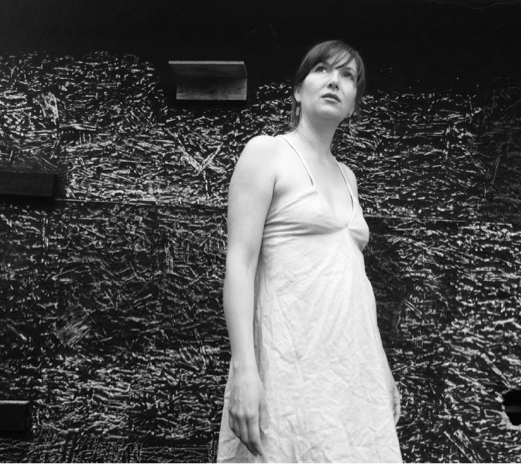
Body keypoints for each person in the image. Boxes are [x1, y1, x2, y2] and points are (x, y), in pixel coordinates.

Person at [217, 40, 402, 463]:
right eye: (322, 69)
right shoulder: (267, 152)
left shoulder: (348, 177)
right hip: (288, 364)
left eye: (348, 76)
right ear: (298, 91)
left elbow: (353, 280)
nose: (335, 81)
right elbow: (240, 264)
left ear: (353, 106)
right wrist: (245, 370)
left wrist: (382, 368)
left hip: (352, 374)